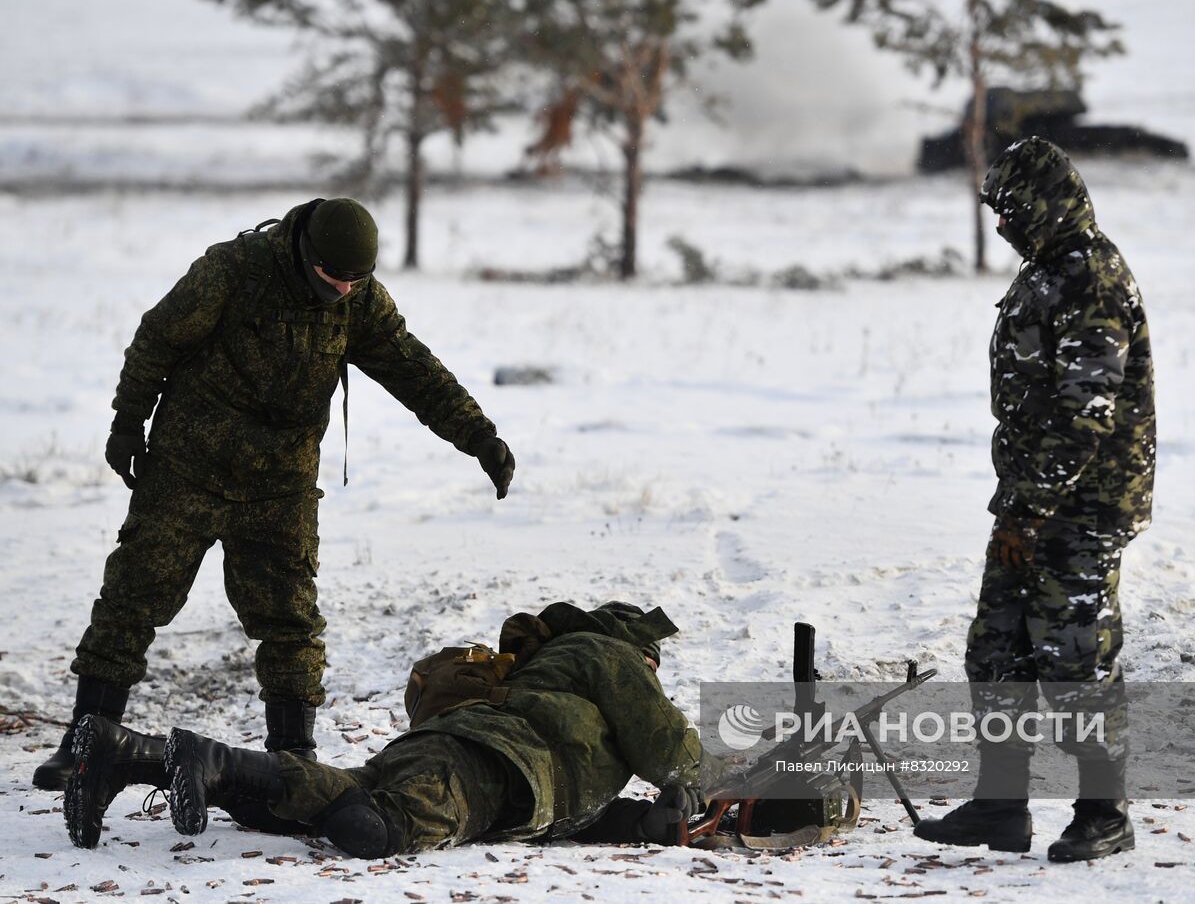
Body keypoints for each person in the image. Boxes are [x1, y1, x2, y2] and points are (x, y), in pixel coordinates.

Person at [34, 198, 516, 805]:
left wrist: (479, 436)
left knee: (290, 621)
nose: (342, 291)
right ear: (305, 253)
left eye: (354, 281)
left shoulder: (358, 300)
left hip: (280, 486)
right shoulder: (233, 271)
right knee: (132, 600)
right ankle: (84, 742)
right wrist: (128, 422)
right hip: (189, 466)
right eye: (332, 278)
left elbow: (412, 369)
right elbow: (157, 339)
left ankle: (292, 766)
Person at [914, 138, 1155, 862]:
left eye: (1012, 209)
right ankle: (999, 808)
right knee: (998, 649)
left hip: (1082, 507)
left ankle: (1103, 814)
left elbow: (1085, 414)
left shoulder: (1091, 278)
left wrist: (1029, 510)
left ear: (1046, 203)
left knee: (1075, 658)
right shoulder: (1048, 271)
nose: (1002, 226)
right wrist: (1018, 507)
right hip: (1029, 502)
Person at [63, 602, 718, 856]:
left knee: (315, 800)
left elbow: (565, 799)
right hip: (481, 767)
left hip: (447, 755)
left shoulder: (552, 676)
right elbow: (669, 745)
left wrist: (641, 824)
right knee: (375, 830)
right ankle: (207, 761)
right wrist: (697, 782)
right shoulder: (609, 656)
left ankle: (136, 755)